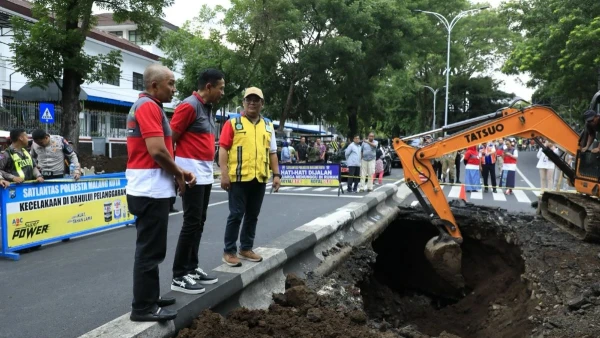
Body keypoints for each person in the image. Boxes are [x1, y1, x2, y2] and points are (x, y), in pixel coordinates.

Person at [126, 64, 196, 322]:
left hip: (151, 188)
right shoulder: (148, 107)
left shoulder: (150, 107)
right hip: (149, 190)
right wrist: (179, 172)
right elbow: (157, 151)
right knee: (149, 250)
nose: (174, 89)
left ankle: (151, 297)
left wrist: (176, 173)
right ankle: (143, 307)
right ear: (154, 85)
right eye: (171, 83)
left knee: (153, 249)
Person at [169, 69, 224, 294]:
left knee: (199, 222)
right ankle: (179, 275)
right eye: (220, 87)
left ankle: (191, 267)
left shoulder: (208, 109)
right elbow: (168, 139)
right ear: (209, 87)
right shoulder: (189, 106)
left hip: (205, 174)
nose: (223, 92)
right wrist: (177, 173)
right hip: (190, 175)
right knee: (190, 223)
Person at [219, 87, 281, 267]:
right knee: (236, 214)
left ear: (262, 103)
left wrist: (276, 174)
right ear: (243, 102)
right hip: (238, 178)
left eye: (256, 100)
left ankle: (246, 248)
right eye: (249, 99)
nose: (252, 102)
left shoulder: (268, 125)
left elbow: (273, 152)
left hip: (259, 178)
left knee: (253, 215)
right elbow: (223, 149)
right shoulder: (232, 123)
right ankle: (229, 251)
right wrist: (224, 174)